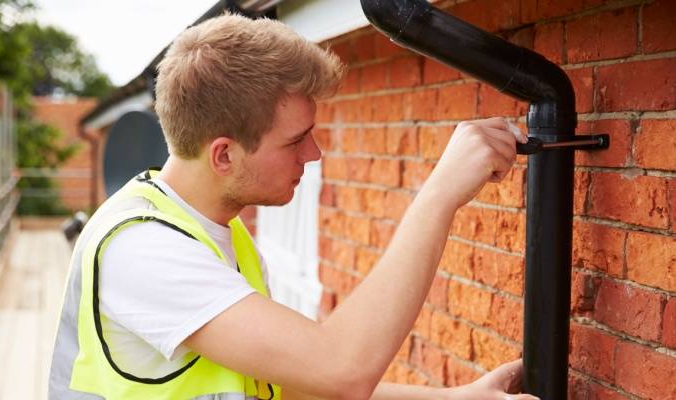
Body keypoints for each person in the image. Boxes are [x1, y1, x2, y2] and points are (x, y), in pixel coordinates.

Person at [49, 14, 539, 400]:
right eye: (296, 141)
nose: (314, 155)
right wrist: (441, 192)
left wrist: (454, 399)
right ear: (224, 154)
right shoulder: (144, 248)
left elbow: (285, 386)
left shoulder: (217, 234)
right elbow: (341, 368)